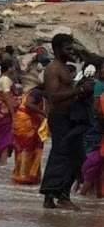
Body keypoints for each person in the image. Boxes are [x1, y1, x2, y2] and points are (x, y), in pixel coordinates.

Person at [39, 34, 95, 209]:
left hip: (70, 118)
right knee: (60, 155)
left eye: (72, 48)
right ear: (57, 49)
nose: (72, 52)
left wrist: (84, 90)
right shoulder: (52, 69)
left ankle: (60, 195)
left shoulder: (64, 68)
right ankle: (53, 196)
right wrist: (78, 90)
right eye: (68, 49)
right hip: (59, 118)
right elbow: (53, 96)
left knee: (76, 157)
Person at [11, 87, 48, 185]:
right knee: (26, 148)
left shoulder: (35, 92)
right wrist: (43, 113)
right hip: (26, 123)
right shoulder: (37, 92)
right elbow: (28, 104)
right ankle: (23, 177)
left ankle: (26, 175)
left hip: (24, 121)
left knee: (27, 149)